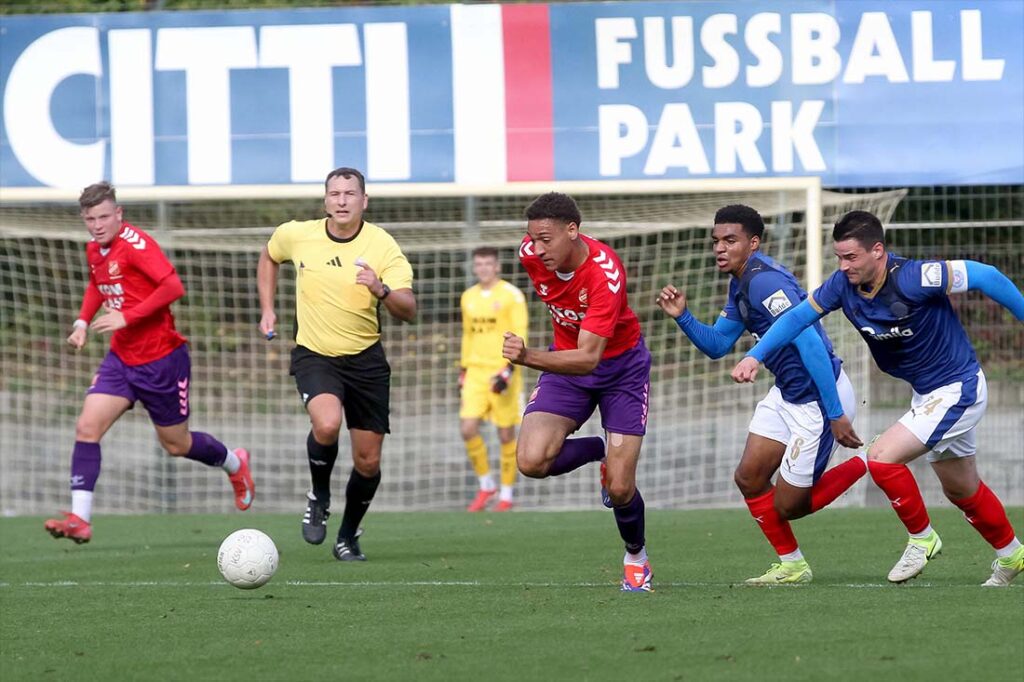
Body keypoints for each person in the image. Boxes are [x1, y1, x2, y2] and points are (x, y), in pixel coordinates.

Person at [732, 210, 1024, 586]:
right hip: (927, 395)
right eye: (839, 257)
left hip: (957, 388)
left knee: (882, 457)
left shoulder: (916, 277)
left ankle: (922, 539)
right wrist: (756, 355)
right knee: (961, 488)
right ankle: (1012, 554)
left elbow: (988, 276)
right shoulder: (841, 285)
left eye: (851, 257)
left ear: (878, 252)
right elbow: (794, 319)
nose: (843, 266)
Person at [655, 204, 867, 584]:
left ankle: (871, 458)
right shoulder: (740, 281)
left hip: (818, 398)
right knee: (750, 477)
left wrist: (834, 414)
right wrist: (683, 316)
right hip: (787, 394)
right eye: (716, 241)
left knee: (789, 506)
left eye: (730, 240)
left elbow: (812, 344)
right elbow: (719, 344)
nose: (720, 248)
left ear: (753, 243)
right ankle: (792, 565)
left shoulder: (764, 282)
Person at [44, 182, 253, 544]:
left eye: (104, 216)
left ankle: (234, 463)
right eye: (90, 218)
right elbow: (98, 284)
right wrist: (81, 322)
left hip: (162, 361)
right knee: (86, 427)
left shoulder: (136, 245)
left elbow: (173, 287)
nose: (97, 225)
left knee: (176, 444)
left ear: (119, 214)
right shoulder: (95, 248)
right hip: (121, 360)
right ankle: (81, 517)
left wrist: (128, 317)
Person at [257, 167, 415, 562]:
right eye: (334, 194)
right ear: (325, 200)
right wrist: (268, 310)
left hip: (366, 360)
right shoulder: (299, 235)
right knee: (326, 423)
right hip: (315, 353)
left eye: (350, 194)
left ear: (365, 200)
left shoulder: (382, 246)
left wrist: (381, 289)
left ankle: (347, 536)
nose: (342, 201)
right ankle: (318, 495)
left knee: (368, 459)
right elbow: (269, 255)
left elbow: (409, 310)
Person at [502, 192, 653, 592]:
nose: (537, 248)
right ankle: (599, 450)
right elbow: (576, 357)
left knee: (621, 488)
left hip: (619, 370)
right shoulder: (531, 254)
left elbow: (589, 357)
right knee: (531, 461)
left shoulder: (605, 274)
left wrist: (527, 356)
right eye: (532, 238)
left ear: (573, 230)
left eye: (546, 239)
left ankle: (636, 555)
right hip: (566, 367)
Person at [459, 247, 529, 512]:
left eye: (489, 263)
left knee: (505, 433)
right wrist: (463, 369)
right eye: (479, 264)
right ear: (475, 267)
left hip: (502, 371)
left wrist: (508, 370)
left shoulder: (512, 295)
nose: (484, 268)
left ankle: (507, 495)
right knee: (467, 428)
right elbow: (468, 334)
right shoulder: (468, 297)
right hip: (475, 371)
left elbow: (520, 333)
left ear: (497, 266)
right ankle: (487, 485)